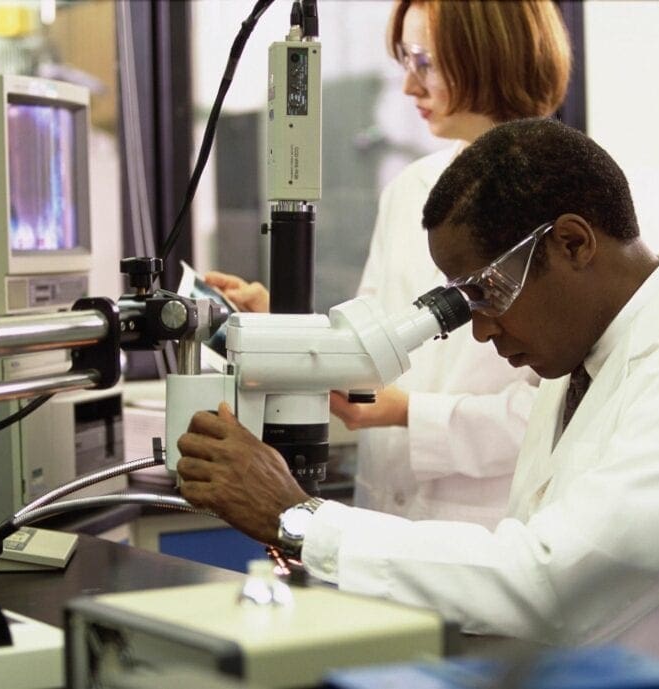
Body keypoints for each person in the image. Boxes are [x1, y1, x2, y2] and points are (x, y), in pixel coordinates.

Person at [177, 118, 659, 660]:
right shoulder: (585, 362)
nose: (484, 330)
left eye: (487, 294)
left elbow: (552, 587)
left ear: (573, 242)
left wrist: (300, 519)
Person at [206, 0, 571, 528]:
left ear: (489, 55)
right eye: (405, 62)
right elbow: (376, 340)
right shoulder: (411, 190)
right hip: (383, 512)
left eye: (424, 63)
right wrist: (286, 325)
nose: (408, 87)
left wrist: (409, 414)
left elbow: (562, 413)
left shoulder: (572, 198)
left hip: (491, 526)